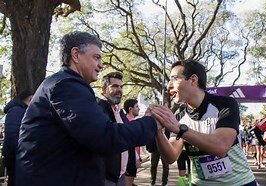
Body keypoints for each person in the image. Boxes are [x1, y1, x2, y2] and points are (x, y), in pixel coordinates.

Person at [14, 31, 172, 186]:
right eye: (96, 57)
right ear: (76, 55)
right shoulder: (66, 86)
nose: (101, 65)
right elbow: (105, 136)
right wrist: (150, 122)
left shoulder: (68, 85)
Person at [149, 59, 256, 185]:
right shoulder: (179, 116)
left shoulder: (225, 104)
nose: (169, 86)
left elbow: (221, 146)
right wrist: (158, 131)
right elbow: (170, 157)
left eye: (174, 79)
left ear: (193, 80)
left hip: (239, 183)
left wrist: (179, 129)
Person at [97, 71, 130, 185]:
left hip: (121, 177)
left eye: (121, 86)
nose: (119, 90)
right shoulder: (97, 108)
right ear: (104, 88)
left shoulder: (119, 111)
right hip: (105, 178)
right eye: (115, 86)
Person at [2, 90, 33, 186]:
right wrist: (23, 153)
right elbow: (12, 135)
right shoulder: (16, 111)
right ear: (31, 99)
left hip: (18, 157)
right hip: (16, 158)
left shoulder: (19, 111)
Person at [123, 98, 142, 186]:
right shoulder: (127, 122)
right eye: (137, 106)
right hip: (130, 158)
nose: (139, 108)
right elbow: (131, 143)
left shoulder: (133, 122)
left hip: (133, 158)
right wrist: (136, 158)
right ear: (130, 109)